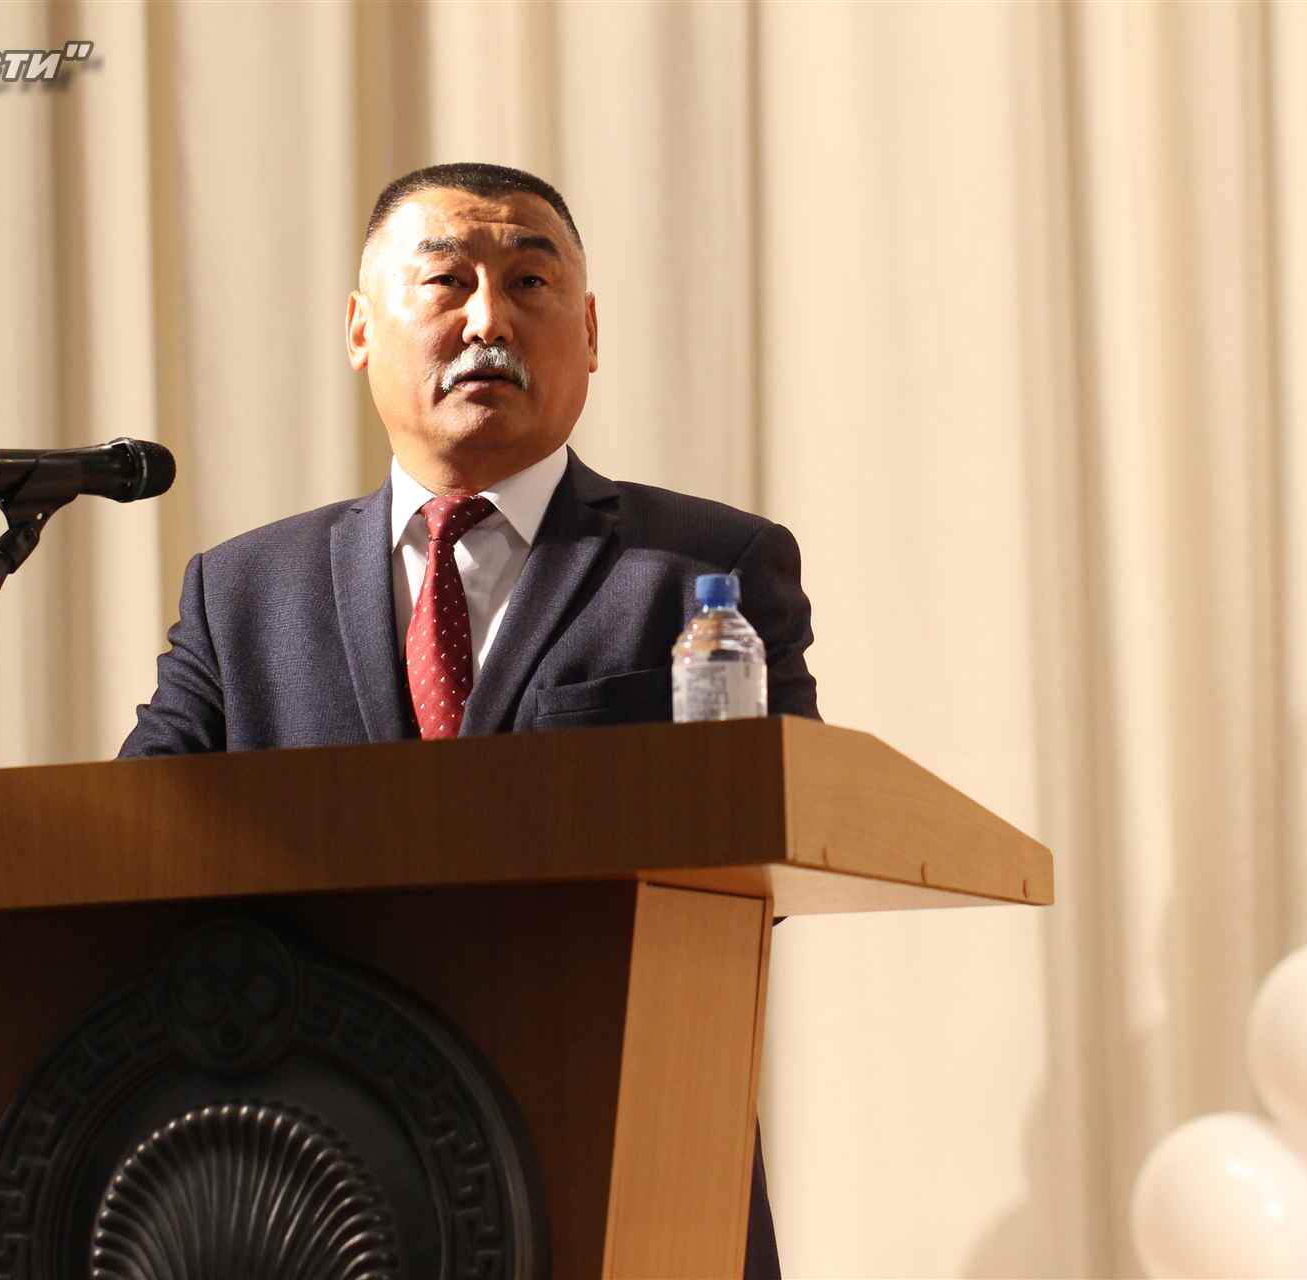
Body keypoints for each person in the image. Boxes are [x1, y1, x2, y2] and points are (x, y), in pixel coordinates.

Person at [120, 162, 815, 1279]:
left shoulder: (707, 568)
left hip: (621, 1157)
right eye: (446, 282)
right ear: (360, 328)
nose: (489, 319)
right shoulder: (245, 591)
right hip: (307, 1190)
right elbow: (125, 839)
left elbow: (786, 824)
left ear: (589, 331)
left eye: (530, 282)